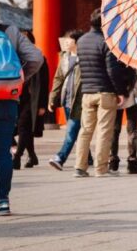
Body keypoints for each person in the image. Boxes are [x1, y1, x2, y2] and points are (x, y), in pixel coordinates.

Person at [0, 0, 43, 215]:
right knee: (3, 154)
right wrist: (20, 77)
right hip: (7, 98)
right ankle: (3, 200)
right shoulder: (10, 31)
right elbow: (37, 57)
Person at [73, 8, 129, 178]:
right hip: (105, 91)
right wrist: (121, 91)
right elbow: (112, 70)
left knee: (85, 130)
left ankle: (79, 166)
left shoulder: (81, 41)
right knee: (104, 130)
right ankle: (101, 168)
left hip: (87, 91)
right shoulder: (106, 42)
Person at [48, 29, 88, 170]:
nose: (65, 42)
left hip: (79, 101)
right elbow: (58, 78)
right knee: (77, 130)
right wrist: (52, 98)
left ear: (77, 42)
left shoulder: (85, 58)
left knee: (71, 131)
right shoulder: (64, 57)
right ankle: (88, 158)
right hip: (67, 99)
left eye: (69, 40)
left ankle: (60, 157)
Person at [13, 31, 50, 169]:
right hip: (18, 98)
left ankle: (17, 157)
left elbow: (45, 83)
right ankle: (32, 155)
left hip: (33, 101)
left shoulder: (39, 59)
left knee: (23, 126)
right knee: (26, 129)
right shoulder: (15, 58)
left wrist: (42, 105)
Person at [109, 65, 137, 175]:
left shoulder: (113, 55)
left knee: (114, 131)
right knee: (132, 131)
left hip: (116, 96)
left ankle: (113, 161)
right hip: (131, 96)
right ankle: (132, 162)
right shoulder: (132, 58)